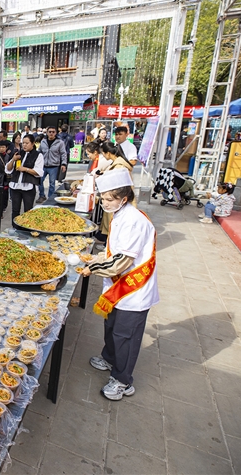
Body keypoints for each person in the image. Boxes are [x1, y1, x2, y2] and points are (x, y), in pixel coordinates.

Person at [82, 168, 158, 401]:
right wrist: (96, 257)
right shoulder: (120, 214)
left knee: (125, 336)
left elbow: (121, 262)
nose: (103, 203)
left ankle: (123, 381)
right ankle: (109, 358)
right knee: (112, 327)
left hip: (133, 290)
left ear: (123, 198)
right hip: (117, 288)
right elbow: (113, 251)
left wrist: (91, 268)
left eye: (107, 199)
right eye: (102, 197)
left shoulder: (133, 221)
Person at [97, 142, 134, 237]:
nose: (103, 156)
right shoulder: (118, 162)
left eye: (103, 153)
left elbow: (118, 187)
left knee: (116, 225)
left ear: (108, 153)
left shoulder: (120, 165)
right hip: (117, 199)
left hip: (118, 199)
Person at [5, 134, 43, 218]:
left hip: (28, 187)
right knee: (15, 211)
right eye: (23, 143)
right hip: (15, 186)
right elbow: (8, 169)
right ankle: (15, 228)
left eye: (27, 143)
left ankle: (26, 230)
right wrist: (13, 160)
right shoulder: (18, 153)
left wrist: (25, 169)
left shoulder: (38, 155)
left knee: (28, 211)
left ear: (33, 144)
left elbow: (39, 172)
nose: (24, 145)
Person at [37, 126, 68, 203]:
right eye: (49, 132)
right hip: (43, 166)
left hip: (54, 166)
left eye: (53, 132)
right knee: (39, 181)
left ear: (56, 133)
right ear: (47, 133)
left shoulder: (60, 142)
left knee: (52, 183)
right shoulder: (43, 142)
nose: (51, 133)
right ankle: (42, 196)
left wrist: (64, 164)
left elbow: (63, 154)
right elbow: (39, 152)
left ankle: (50, 198)